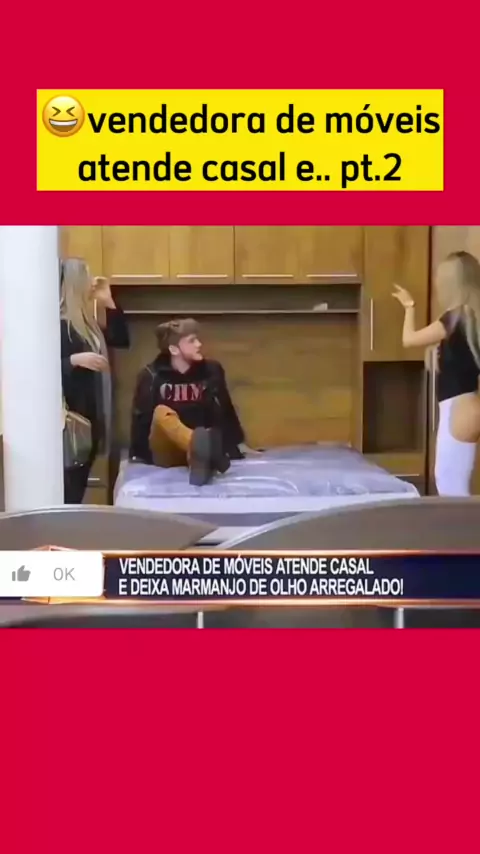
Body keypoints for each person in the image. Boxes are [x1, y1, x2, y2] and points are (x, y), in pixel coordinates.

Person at [392, 250, 480, 496]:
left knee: (449, 484)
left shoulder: (453, 318)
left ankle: (463, 523)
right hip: (470, 403)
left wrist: (409, 306)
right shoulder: (474, 319)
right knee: (455, 482)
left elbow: (409, 340)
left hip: (457, 407)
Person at [129, 318, 246, 486]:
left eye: (197, 339)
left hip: (200, 452)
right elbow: (141, 419)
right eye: (192, 341)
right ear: (174, 349)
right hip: (168, 453)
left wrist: (236, 446)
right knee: (162, 412)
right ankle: (201, 447)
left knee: (206, 434)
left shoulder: (212, 371)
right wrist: (138, 457)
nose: (199, 344)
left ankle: (202, 451)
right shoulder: (151, 376)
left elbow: (225, 408)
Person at [61, 258, 130, 503]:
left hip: (91, 420)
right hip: (70, 424)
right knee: (67, 493)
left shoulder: (87, 323)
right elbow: (34, 370)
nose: (92, 282)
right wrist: (73, 360)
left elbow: (121, 340)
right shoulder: (55, 325)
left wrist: (108, 301)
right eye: (88, 277)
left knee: (75, 492)